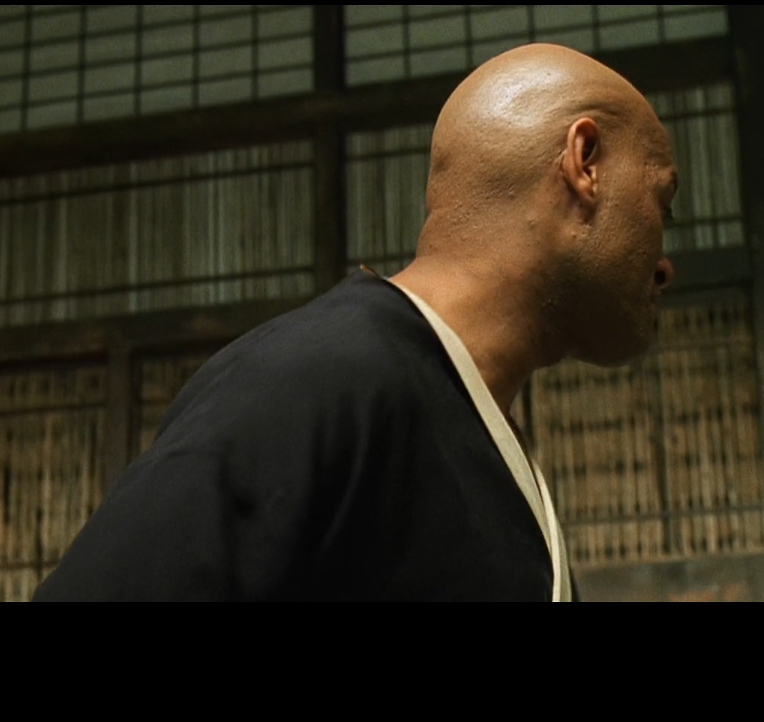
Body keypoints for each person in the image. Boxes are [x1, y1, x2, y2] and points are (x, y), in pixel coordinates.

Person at [33, 44, 678, 602]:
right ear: (584, 162)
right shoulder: (316, 377)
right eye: (661, 203)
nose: (665, 263)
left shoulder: (496, 454)